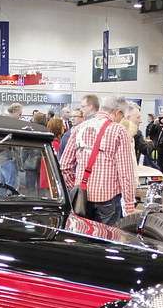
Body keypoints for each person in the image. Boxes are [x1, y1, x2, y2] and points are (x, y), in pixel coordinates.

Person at [59, 95, 137, 225]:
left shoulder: (79, 128)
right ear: (118, 113)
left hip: (81, 199)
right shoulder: (119, 131)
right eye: (122, 117)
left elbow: (64, 166)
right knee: (106, 241)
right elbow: (125, 173)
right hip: (108, 200)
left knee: (83, 238)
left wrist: (76, 186)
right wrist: (129, 205)